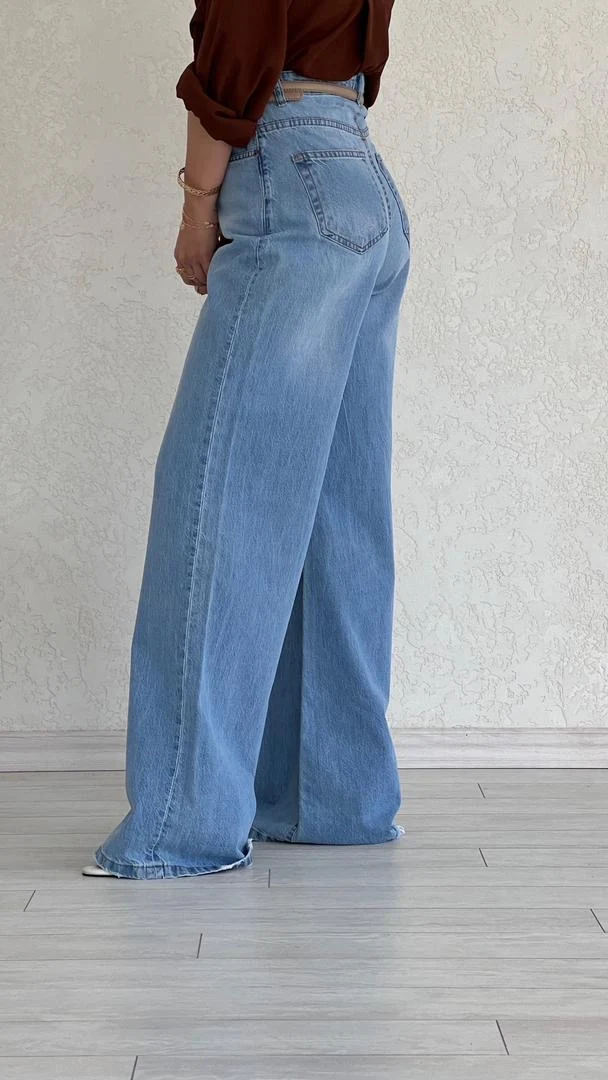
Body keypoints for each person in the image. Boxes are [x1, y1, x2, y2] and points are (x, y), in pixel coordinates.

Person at [83, 0, 411, 879]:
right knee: (334, 511)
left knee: (219, 498)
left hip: (287, 168)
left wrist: (198, 205)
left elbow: (238, 48)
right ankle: (331, 799)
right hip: (361, 172)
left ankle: (179, 827)